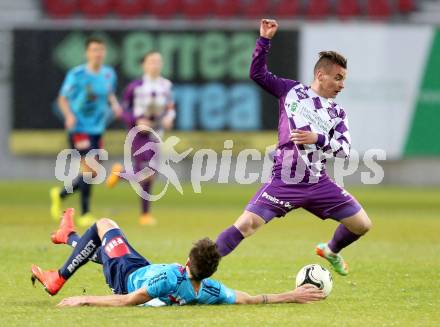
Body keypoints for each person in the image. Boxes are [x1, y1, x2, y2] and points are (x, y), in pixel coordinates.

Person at [215, 19, 372, 276]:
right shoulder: (291, 91)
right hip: (285, 180)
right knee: (246, 225)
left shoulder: (338, 113)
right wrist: (264, 40)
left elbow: (344, 150)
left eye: (343, 79)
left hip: (318, 182)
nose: (342, 84)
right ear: (320, 75)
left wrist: (317, 139)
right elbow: (257, 74)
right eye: (338, 78)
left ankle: (331, 250)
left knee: (362, 225)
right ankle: (192, 270)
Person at [31, 208, 324, 307]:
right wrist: (291, 295)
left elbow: (128, 300)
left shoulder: (170, 277)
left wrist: (85, 299)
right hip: (140, 266)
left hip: (125, 275)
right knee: (102, 248)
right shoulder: (209, 290)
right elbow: (249, 298)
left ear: (187, 259)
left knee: (103, 225)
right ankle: (67, 236)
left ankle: (57, 278)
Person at [50, 36, 122, 227]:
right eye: (94, 50)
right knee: (90, 169)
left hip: (97, 128)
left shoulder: (108, 74)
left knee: (92, 172)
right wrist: (68, 116)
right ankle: (85, 213)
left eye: (101, 50)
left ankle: (61, 194)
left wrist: (114, 105)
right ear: (87, 53)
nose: (98, 53)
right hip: (79, 127)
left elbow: (109, 93)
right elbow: (62, 98)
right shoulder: (77, 74)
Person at [106, 51, 175, 226]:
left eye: (158, 62)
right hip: (139, 135)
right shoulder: (135, 87)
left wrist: (169, 118)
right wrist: (136, 121)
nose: (155, 65)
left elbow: (170, 107)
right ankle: (143, 212)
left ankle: (143, 212)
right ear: (144, 65)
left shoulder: (166, 85)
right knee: (148, 173)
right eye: (151, 61)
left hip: (157, 133)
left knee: (148, 176)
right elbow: (123, 110)